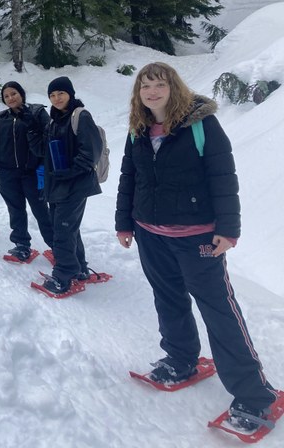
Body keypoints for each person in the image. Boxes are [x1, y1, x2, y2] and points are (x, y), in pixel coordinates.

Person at [115, 61, 277, 432]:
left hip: (198, 237)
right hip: (150, 233)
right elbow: (129, 177)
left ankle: (254, 396)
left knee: (219, 310)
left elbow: (223, 177)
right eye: (144, 86)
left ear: (174, 87)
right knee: (167, 298)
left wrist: (228, 229)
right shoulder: (137, 130)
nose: (151, 92)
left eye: (159, 85)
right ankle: (181, 359)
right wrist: (124, 222)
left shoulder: (200, 124)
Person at [0, 81, 54, 260]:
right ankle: (22, 246)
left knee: (41, 211)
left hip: (32, 173)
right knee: (15, 210)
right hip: (7, 173)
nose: (10, 98)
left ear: (22, 94)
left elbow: (48, 141)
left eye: (13, 93)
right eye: (6, 96)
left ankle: (57, 248)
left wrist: (43, 167)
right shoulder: (2, 118)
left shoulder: (37, 112)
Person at [42, 76, 102, 294]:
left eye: (61, 93)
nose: (57, 98)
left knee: (63, 232)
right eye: (52, 95)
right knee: (69, 230)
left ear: (70, 94)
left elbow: (91, 152)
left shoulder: (80, 116)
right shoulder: (54, 120)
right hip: (58, 185)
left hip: (75, 185)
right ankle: (80, 269)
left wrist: (69, 171)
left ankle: (63, 277)